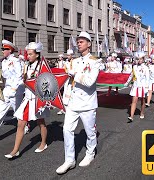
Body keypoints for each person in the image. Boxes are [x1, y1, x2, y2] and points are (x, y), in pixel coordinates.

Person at [56, 32, 101, 174]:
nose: (79, 44)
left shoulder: (95, 61)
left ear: (89, 44)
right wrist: (65, 100)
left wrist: (75, 73)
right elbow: (69, 83)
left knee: (90, 132)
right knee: (66, 129)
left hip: (87, 103)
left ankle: (90, 153)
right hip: (73, 102)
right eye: (78, 41)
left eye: (81, 41)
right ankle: (69, 160)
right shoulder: (73, 62)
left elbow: (89, 82)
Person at [4, 42, 49, 159]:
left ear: (37, 55)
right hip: (28, 98)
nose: (27, 56)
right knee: (20, 124)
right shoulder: (27, 65)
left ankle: (43, 143)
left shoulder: (42, 66)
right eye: (27, 54)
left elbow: (47, 84)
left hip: (38, 99)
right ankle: (15, 150)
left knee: (41, 123)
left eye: (30, 54)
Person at [127, 51, 149, 123]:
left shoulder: (146, 68)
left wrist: (146, 88)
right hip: (136, 86)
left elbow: (147, 78)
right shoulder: (134, 67)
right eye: (138, 59)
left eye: (140, 59)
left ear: (143, 59)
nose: (139, 60)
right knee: (134, 101)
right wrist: (126, 83)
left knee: (143, 101)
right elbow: (131, 76)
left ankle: (142, 112)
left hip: (143, 87)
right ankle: (131, 116)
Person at [58, 49, 74, 115]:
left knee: (70, 94)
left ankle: (70, 109)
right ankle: (63, 108)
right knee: (65, 93)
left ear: (71, 55)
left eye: (68, 55)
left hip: (72, 80)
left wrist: (70, 73)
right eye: (67, 55)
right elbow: (64, 70)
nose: (67, 56)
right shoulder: (66, 62)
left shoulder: (74, 62)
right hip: (66, 80)